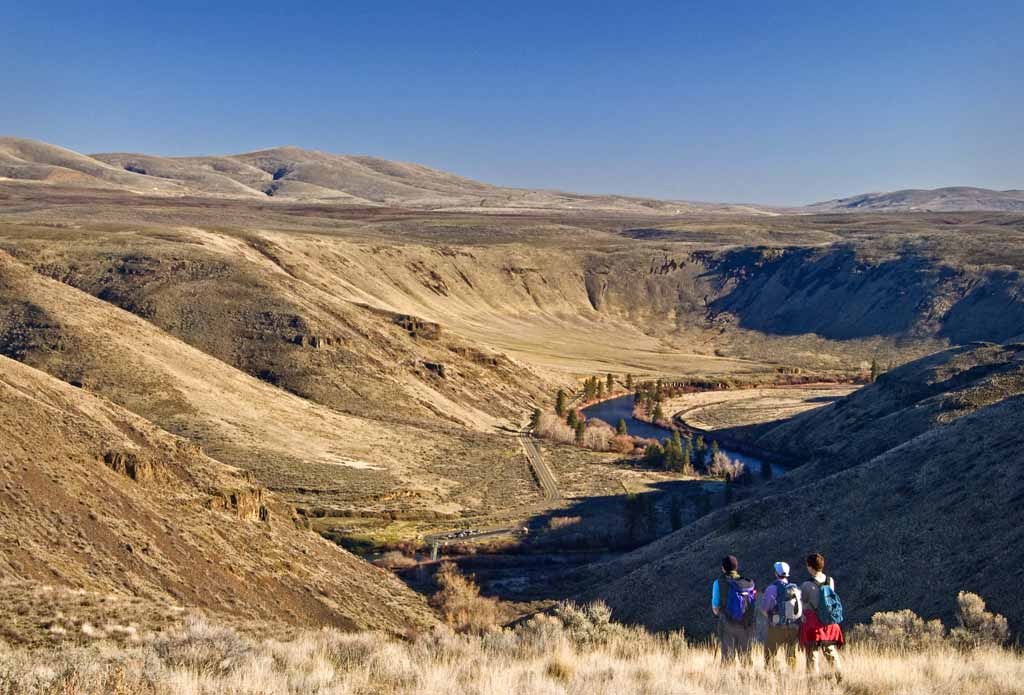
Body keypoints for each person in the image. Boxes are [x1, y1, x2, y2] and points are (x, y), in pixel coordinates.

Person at [799, 552, 844, 678]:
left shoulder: (806, 585)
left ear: (810, 567)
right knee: (830, 649)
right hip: (828, 621)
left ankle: (812, 679)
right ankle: (838, 675)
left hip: (812, 623)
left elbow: (803, 602)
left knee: (812, 652)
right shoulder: (830, 581)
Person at [711, 555, 756, 664]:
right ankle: (748, 674)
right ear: (736, 567)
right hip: (745, 625)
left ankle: (728, 674)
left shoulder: (718, 583)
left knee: (727, 659)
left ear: (723, 568)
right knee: (745, 658)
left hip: (727, 624)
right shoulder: (747, 583)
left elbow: (715, 608)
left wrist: (722, 613)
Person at [761, 561, 801, 669]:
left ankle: (771, 673)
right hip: (793, 626)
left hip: (776, 626)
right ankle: (792, 673)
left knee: (770, 653)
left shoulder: (771, 588)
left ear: (776, 573)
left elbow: (764, 609)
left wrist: (772, 618)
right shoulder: (795, 588)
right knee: (791, 654)